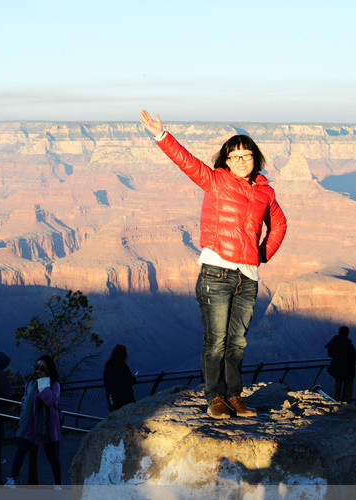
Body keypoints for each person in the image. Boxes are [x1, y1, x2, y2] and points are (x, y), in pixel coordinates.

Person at [139, 110, 287, 419]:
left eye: (246, 155)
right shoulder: (216, 180)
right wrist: (161, 135)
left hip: (247, 277)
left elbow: (280, 225)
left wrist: (261, 254)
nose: (241, 161)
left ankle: (235, 397)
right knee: (216, 341)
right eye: (234, 157)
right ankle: (215, 398)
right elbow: (186, 162)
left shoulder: (265, 192)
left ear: (255, 158)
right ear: (226, 161)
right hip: (216, 272)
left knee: (237, 344)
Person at [5, 355, 62, 487]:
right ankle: (12, 478)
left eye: (42, 368)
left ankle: (58, 484)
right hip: (30, 424)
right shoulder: (31, 383)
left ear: (49, 369)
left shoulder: (54, 385)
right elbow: (25, 399)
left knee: (52, 456)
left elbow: (50, 401)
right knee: (21, 451)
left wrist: (43, 384)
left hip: (47, 426)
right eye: (37, 367)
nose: (38, 371)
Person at [324, 326, 356, 403]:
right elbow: (355, 357)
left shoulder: (334, 342)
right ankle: (346, 407)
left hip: (337, 370)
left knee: (337, 390)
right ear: (347, 333)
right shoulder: (348, 344)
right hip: (348, 371)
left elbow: (330, 353)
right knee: (347, 391)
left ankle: (336, 406)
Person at [103, 344, 137, 411]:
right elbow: (127, 381)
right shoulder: (122, 366)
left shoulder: (109, 365)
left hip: (114, 397)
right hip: (126, 397)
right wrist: (134, 378)